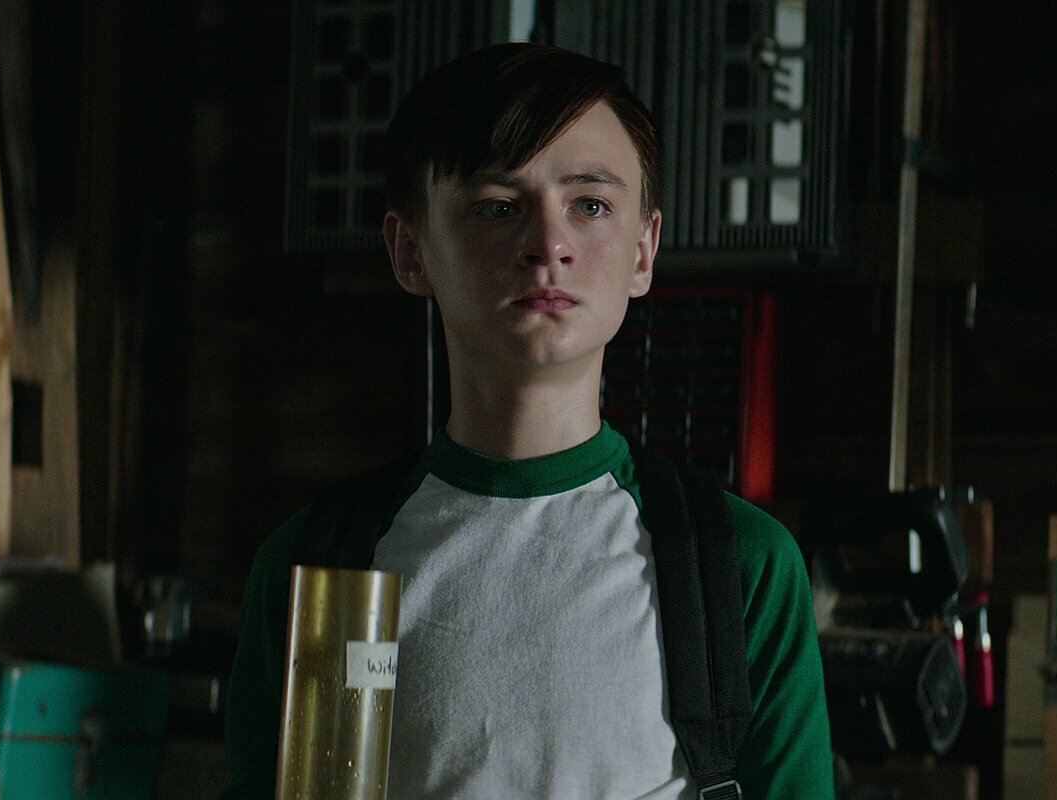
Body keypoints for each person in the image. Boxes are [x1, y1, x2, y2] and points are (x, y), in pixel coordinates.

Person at [221, 43, 835, 799]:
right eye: (498, 207)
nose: (549, 245)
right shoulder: (320, 566)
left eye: (591, 205)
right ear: (410, 251)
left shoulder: (736, 566)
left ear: (643, 252)